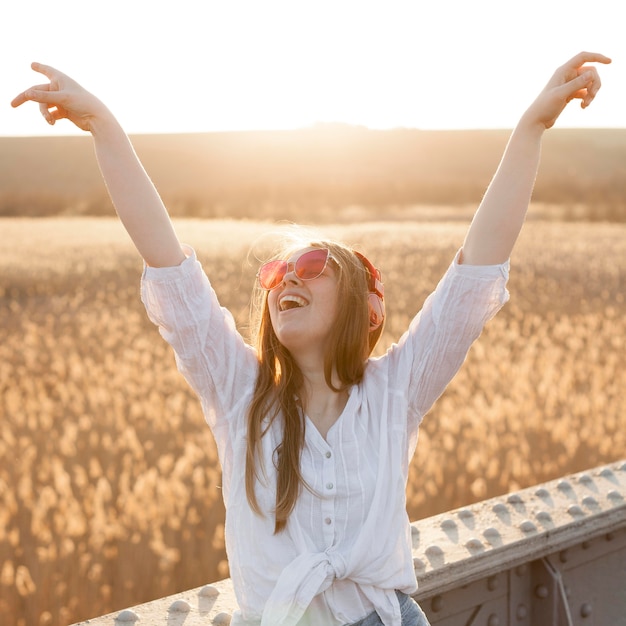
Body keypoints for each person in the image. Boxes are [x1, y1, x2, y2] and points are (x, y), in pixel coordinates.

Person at [12, 51, 610, 626]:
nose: (286, 280)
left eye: (313, 265)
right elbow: (167, 261)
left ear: (361, 308)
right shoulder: (238, 390)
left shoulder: (396, 390)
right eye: (274, 274)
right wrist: (103, 126)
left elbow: (478, 269)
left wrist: (532, 127)